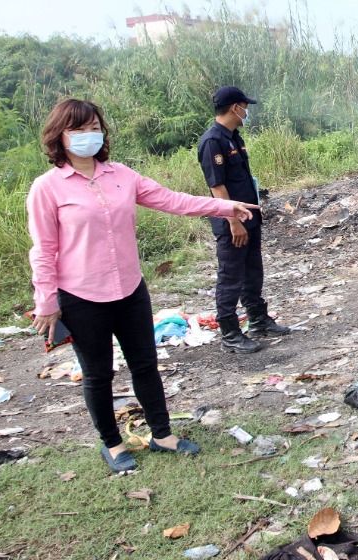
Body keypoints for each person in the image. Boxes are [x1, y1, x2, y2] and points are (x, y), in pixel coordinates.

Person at [26, 99, 259, 474]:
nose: (88, 136)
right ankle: (113, 444)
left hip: (129, 288)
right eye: (78, 130)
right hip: (82, 296)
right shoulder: (47, 188)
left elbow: (172, 200)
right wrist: (46, 301)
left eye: (93, 128)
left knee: (145, 364)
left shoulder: (120, 175)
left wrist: (224, 207)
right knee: (98, 373)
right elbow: (44, 249)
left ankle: (162, 434)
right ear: (60, 136)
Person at [197, 86, 290, 354]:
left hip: (249, 217)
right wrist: (233, 221)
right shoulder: (213, 142)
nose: (246, 112)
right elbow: (217, 187)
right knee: (230, 277)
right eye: (244, 107)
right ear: (235, 107)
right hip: (232, 223)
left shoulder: (233, 137)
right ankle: (230, 334)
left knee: (252, 272)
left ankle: (258, 319)